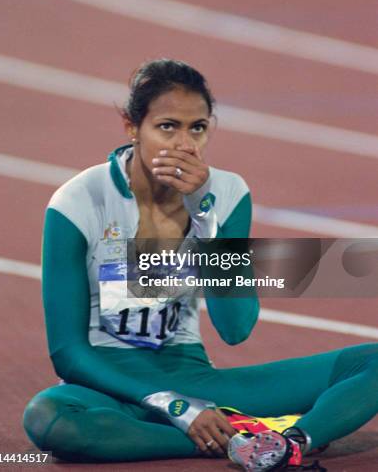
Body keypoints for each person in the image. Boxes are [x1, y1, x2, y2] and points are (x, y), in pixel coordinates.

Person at [23, 59, 378, 470]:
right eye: (167, 126)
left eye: (198, 128)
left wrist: (206, 220)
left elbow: (235, 328)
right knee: (49, 420)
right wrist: (176, 408)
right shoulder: (79, 200)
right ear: (131, 127)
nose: (184, 144)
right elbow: (68, 354)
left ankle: (289, 442)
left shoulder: (226, 193)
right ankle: (238, 440)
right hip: (109, 386)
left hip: (196, 380)